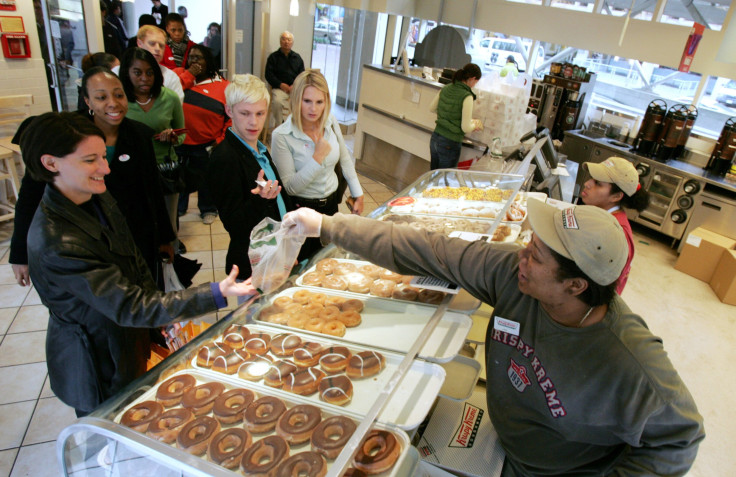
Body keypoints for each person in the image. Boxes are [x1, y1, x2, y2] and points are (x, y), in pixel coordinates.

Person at [282, 202, 704, 476]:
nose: (522, 256)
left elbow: (681, 438)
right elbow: (431, 250)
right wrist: (329, 226)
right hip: (501, 446)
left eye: (536, 256)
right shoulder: (513, 275)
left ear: (576, 286)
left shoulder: (628, 361)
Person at [19, 112, 256, 417]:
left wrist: (161, 313)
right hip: (98, 358)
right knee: (110, 428)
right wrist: (214, 293)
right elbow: (131, 305)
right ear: (51, 163)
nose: (105, 168)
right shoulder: (56, 242)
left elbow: (133, 260)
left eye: (103, 157)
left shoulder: (94, 196)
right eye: (90, 160)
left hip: (128, 339)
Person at [10, 68, 176, 290]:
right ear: (87, 101)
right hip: (86, 235)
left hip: (135, 233)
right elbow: (31, 195)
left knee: (142, 294)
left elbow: (152, 189)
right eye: (101, 97)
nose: (113, 103)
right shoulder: (66, 135)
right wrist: (20, 253)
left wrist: (164, 237)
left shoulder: (139, 134)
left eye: (119, 95)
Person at [207, 74, 293, 287]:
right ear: (229, 111)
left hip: (276, 256)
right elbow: (234, 225)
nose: (253, 122)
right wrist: (260, 200)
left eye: (260, 113)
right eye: (244, 113)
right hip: (252, 265)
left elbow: (279, 202)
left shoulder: (260, 150)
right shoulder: (224, 157)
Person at [271, 69, 364, 258]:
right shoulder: (281, 135)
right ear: (296, 100)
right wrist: (317, 158)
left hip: (330, 206)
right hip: (302, 211)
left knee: (330, 259)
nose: (313, 109)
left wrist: (358, 193)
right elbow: (290, 188)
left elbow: (345, 159)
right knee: (306, 264)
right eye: (307, 101)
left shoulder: (329, 121)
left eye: (319, 102)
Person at [119, 47, 185, 253]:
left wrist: (173, 137)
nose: (144, 78)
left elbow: (182, 135)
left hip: (164, 168)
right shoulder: (119, 101)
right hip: (131, 170)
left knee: (167, 223)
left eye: (150, 72)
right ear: (126, 74)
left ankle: (170, 269)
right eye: (137, 72)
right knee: (137, 222)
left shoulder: (170, 98)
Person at [174, 44, 230, 224]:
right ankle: (179, 207)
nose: (194, 61)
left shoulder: (223, 86)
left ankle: (207, 208)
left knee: (206, 179)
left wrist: (220, 139)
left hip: (207, 143)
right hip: (180, 142)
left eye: (199, 58)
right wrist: (189, 74)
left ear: (209, 61)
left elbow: (231, 118)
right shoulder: (178, 77)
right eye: (191, 57)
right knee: (179, 177)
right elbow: (170, 93)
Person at [580, 157, 650, 294]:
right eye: (591, 178)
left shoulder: (616, 235)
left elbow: (596, 287)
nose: (587, 184)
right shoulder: (601, 214)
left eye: (598, 184)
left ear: (616, 196)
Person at [429, 63, 484, 170]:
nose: (475, 85)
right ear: (472, 79)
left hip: (435, 138)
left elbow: (432, 108)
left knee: (433, 176)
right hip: (450, 142)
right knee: (445, 181)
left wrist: (447, 115)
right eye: (476, 82)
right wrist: (474, 125)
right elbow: (465, 127)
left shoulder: (446, 88)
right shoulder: (466, 95)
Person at [112, 25, 185, 102]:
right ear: (139, 43)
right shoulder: (116, 73)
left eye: (161, 46)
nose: (157, 49)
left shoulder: (171, 77)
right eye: (152, 44)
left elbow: (177, 106)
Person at [264, 31, 305, 127]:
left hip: (294, 89)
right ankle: (280, 125)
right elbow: (268, 75)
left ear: (292, 42)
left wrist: (294, 85)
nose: (286, 42)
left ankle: (296, 127)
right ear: (280, 41)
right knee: (277, 102)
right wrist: (280, 85)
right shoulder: (273, 57)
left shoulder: (297, 58)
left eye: (289, 40)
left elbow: (302, 75)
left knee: (304, 102)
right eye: (284, 39)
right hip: (279, 89)